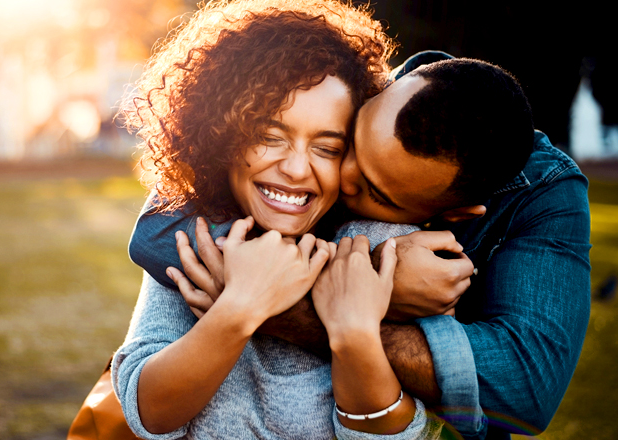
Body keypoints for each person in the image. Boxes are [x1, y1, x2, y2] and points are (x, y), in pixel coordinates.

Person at [130, 52, 591, 440]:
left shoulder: (538, 194)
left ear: (451, 213)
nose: (336, 177)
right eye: (347, 143)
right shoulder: (338, 96)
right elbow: (156, 233)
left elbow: (523, 385)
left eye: (375, 192)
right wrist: (368, 280)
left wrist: (345, 312)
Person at [112, 0, 450, 438]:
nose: (295, 168)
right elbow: (149, 413)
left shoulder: (382, 247)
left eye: (326, 148)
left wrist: (353, 334)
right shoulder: (194, 235)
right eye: (269, 137)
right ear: (221, 135)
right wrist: (242, 305)